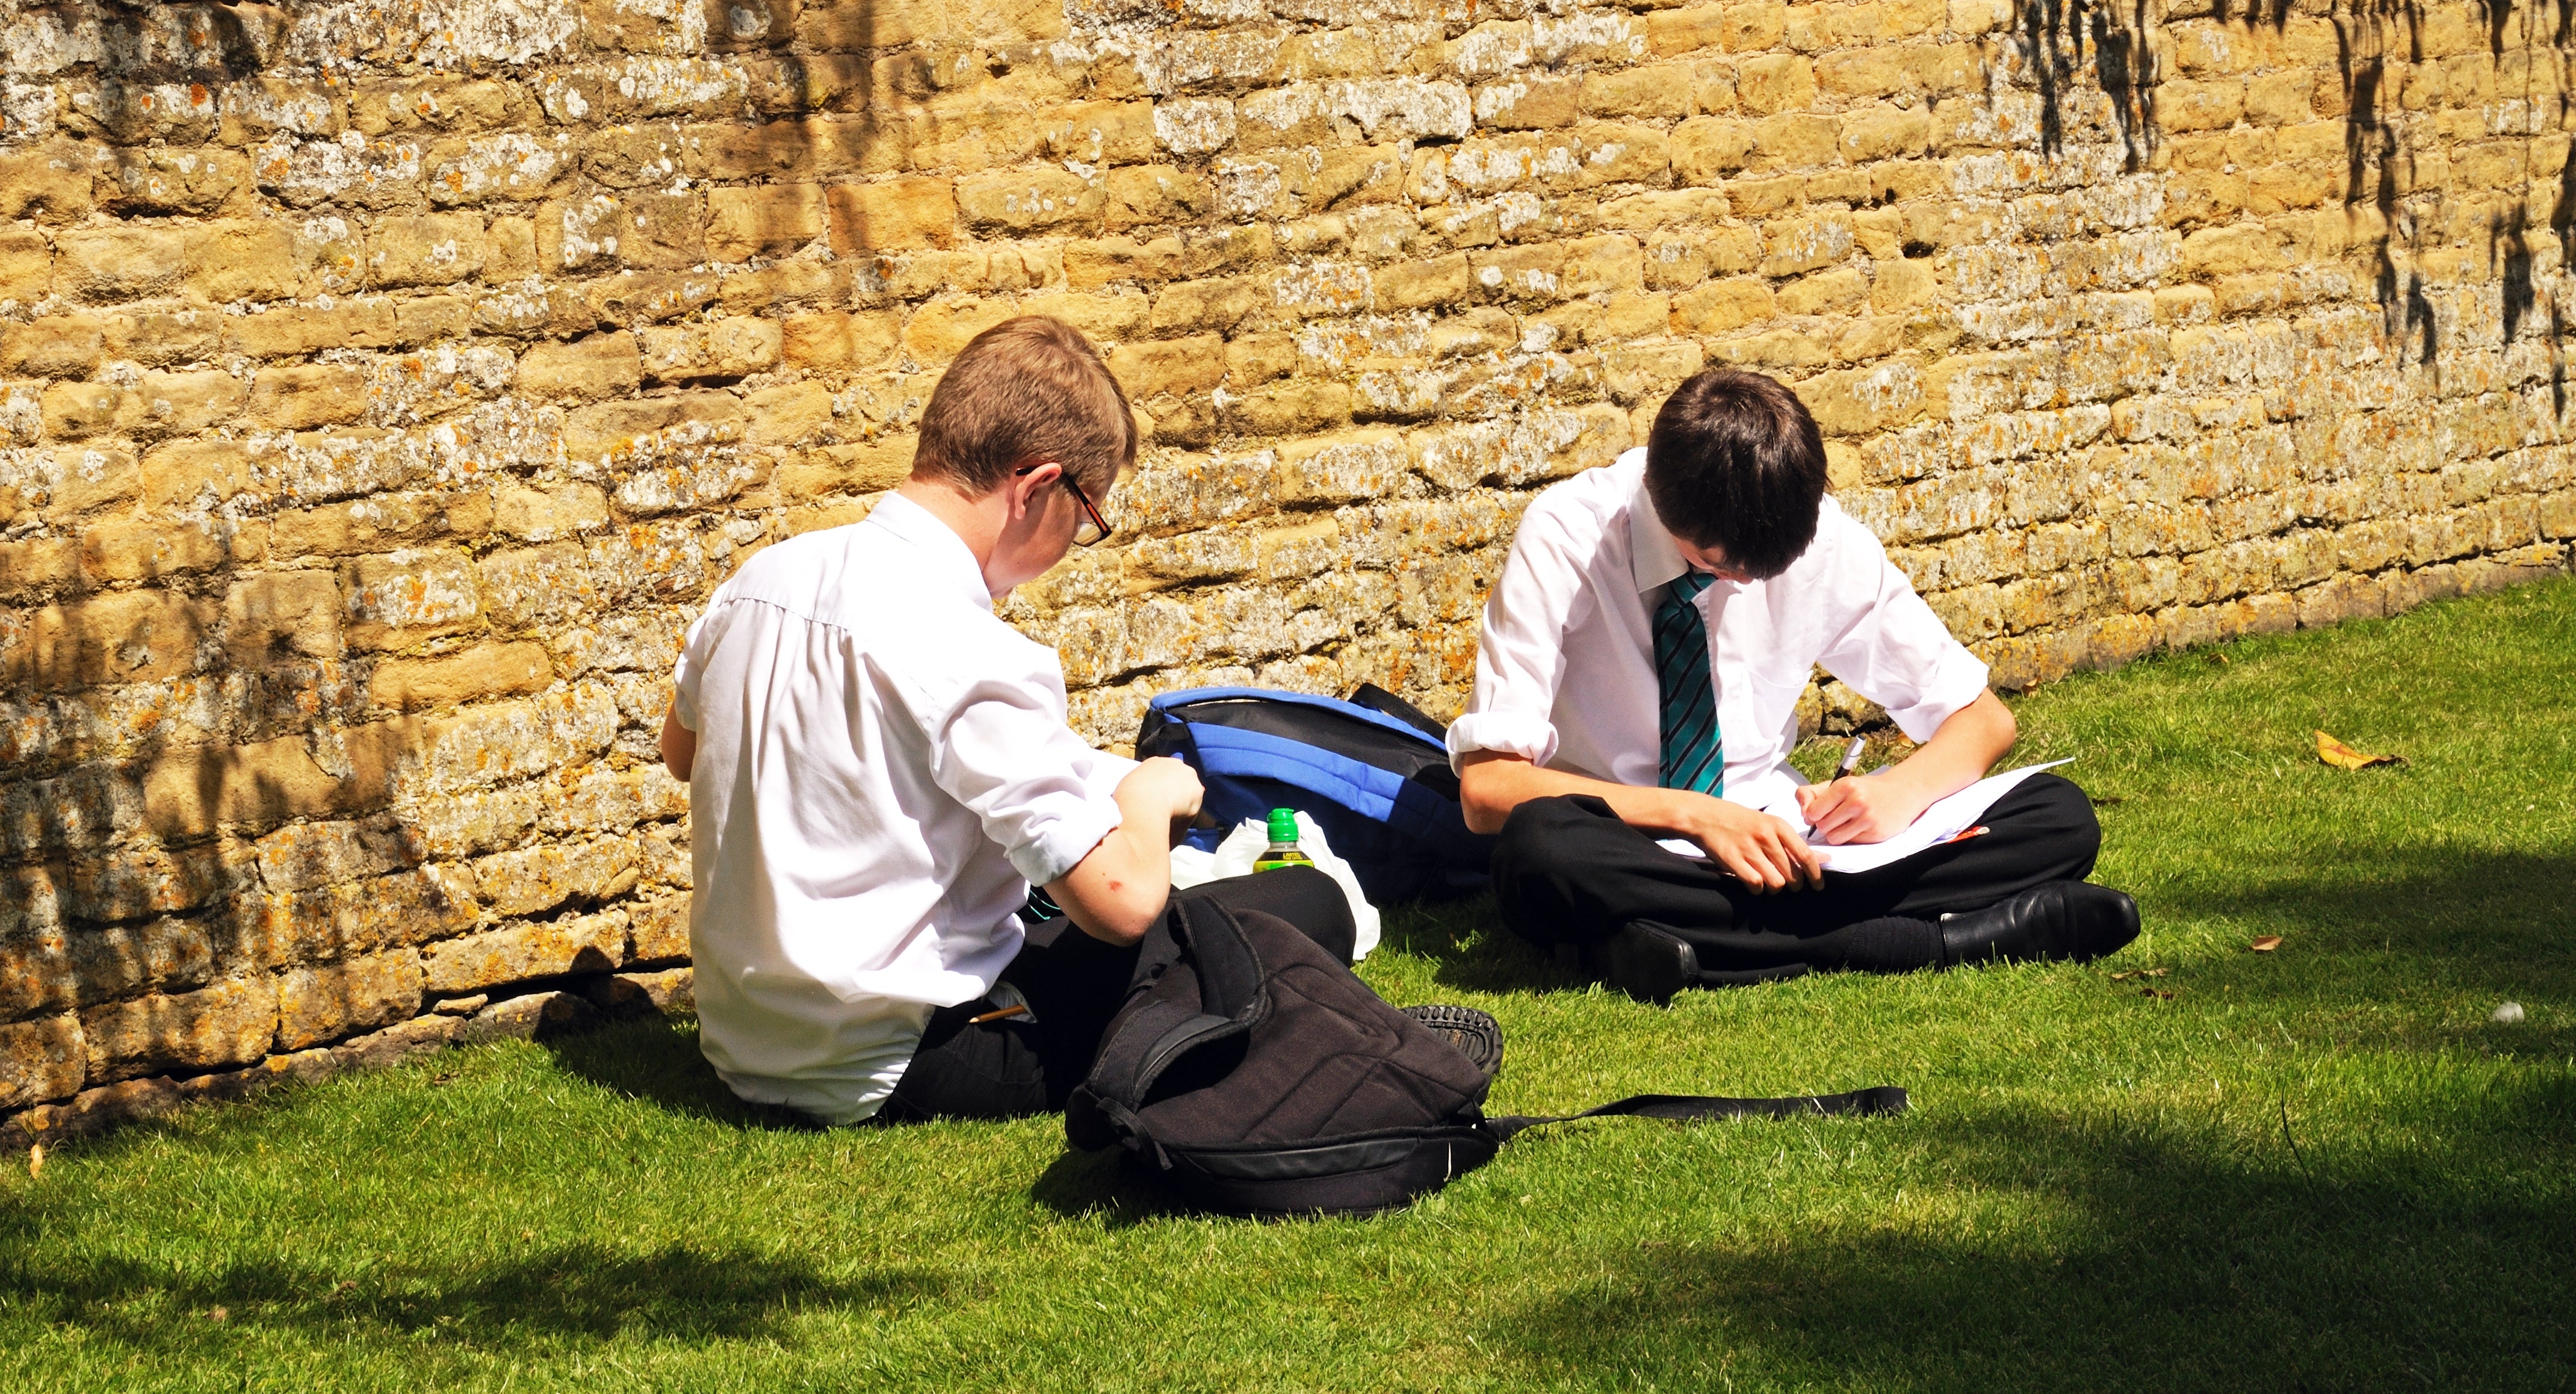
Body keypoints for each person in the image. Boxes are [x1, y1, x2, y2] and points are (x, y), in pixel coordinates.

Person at [655, 315, 1358, 1126]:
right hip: (910, 1058)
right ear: (1036, 487)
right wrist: (1153, 795)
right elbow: (1122, 902)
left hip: (746, 1044)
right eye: (1088, 516)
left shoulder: (762, 578)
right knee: (1304, 905)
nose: (1075, 542)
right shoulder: (971, 646)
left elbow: (685, 752)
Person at [1449, 365, 2140, 1003]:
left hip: (1788, 843)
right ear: (1664, 508)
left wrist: (1896, 794)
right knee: (1537, 849)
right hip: (1636, 840)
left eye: (1767, 569)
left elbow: (1983, 720)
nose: (1746, 583)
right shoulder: (1566, 536)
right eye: (1719, 567)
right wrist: (1694, 815)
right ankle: (1934, 939)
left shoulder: (1820, 539)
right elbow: (1487, 790)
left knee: (2058, 814)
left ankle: (1678, 946)